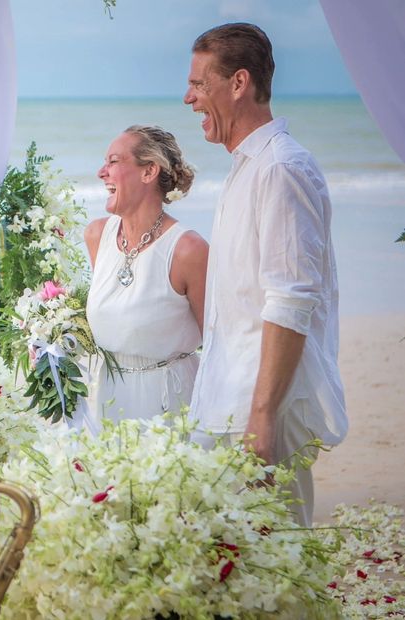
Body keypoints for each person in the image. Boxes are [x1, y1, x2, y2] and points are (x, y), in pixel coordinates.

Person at [184, 23, 347, 526]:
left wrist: (261, 417)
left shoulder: (280, 168)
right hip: (229, 396)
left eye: (198, 83)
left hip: (259, 410)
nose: (188, 97)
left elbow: (292, 300)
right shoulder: (246, 167)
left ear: (238, 83)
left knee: (276, 563)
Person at [75, 125, 209, 435]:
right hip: (110, 398)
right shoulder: (97, 235)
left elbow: (218, 345)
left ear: (149, 171)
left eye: (113, 161)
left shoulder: (188, 249)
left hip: (170, 401)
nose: (100, 172)